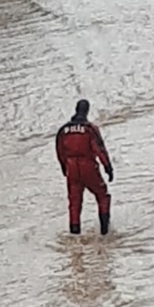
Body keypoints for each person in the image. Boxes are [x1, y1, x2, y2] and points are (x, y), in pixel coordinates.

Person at [56, 99, 113, 236]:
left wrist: (65, 168)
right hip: (88, 166)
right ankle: (105, 232)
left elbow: (60, 151)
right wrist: (108, 167)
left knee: (74, 203)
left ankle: (75, 236)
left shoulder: (63, 131)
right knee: (102, 196)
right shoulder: (90, 129)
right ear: (87, 111)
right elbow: (99, 149)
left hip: (71, 169)